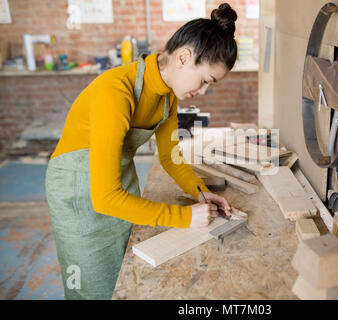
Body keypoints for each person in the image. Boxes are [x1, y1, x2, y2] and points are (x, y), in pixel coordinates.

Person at [45, 3, 239, 299]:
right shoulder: (115, 92)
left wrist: (199, 191)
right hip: (76, 191)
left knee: (122, 275)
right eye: (205, 81)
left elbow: (170, 157)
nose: (202, 93)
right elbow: (105, 198)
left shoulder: (167, 97)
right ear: (183, 58)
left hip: (115, 182)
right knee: (91, 286)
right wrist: (184, 217)